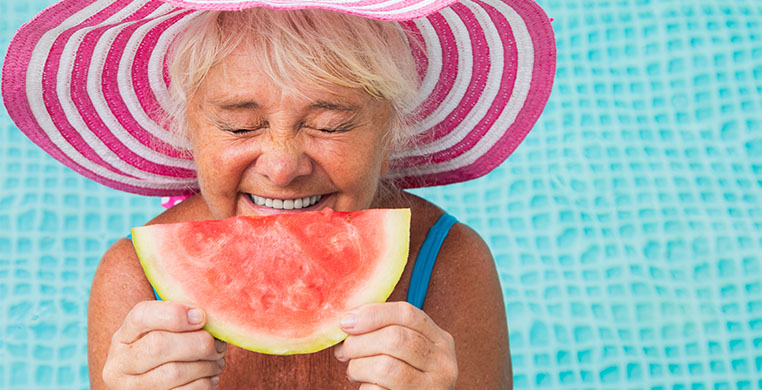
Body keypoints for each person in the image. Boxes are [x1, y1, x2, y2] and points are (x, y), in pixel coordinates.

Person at [1, 0, 555, 388]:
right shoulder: (133, 279)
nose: (283, 166)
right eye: (240, 128)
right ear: (188, 133)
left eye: (332, 125)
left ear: (390, 139)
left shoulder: (451, 263)